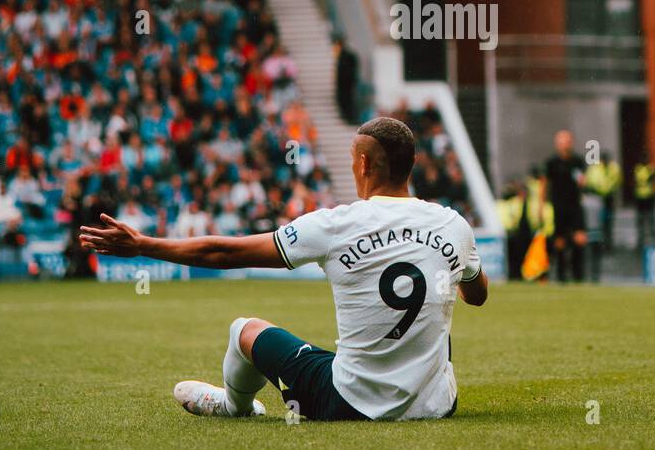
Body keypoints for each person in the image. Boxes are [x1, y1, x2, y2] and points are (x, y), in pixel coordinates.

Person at [80, 118, 486, 422]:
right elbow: (478, 294)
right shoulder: (454, 225)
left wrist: (144, 245)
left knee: (245, 330)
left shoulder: (335, 224)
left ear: (363, 164)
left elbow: (224, 253)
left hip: (347, 403)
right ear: (411, 164)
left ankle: (233, 405)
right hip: (436, 406)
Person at [540, 130, 587, 283]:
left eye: (567, 141)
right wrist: (541, 206)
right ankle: (561, 276)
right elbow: (544, 184)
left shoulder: (578, 161)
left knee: (579, 239)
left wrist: (583, 182)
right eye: (562, 141)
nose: (565, 144)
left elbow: (582, 180)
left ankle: (578, 275)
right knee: (559, 241)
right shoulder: (551, 163)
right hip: (558, 207)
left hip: (575, 206)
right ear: (557, 144)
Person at [584, 152, 621, 254]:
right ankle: (597, 245)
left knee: (608, 222)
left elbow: (616, 181)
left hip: (608, 198)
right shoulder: (594, 169)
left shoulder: (613, 168)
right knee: (596, 222)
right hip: (597, 197)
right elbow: (589, 182)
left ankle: (607, 245)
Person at [633, 156, 655, 249]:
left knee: (642, 219)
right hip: (647, 196)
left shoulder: (638, 169)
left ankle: (642, 239)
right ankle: (651, 237)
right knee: (649, 218)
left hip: (641, 197)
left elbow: (635, 181)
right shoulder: (650, 169)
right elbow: (654, 179)